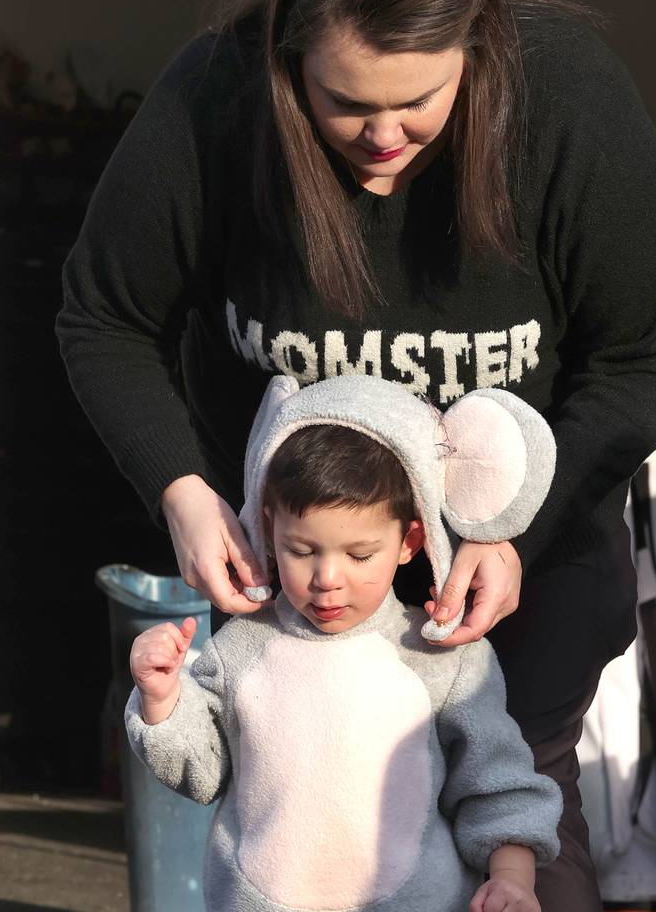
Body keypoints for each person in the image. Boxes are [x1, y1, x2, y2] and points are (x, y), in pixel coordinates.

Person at [56, 0, 656, 910]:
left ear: (474, 55)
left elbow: (650, 352)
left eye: (417, 104)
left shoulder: (569, 100)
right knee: (306, 831)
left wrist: (512, 534)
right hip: (298, 580)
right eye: (345, 104)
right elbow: (103, 315)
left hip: (513, 578)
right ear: (284, 68)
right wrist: (182, 489)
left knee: (519, 826)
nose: (384, 136)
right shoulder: (215, 100)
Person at [126, 374, 563, 912]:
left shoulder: (442, 660)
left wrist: (513, 879)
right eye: (301, 549)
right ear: (267, 529)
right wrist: (162, 700)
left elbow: (497, 782)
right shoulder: (240, 650)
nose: (327, 577)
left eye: (359, 555)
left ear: (410, 540)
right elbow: (202, 772)